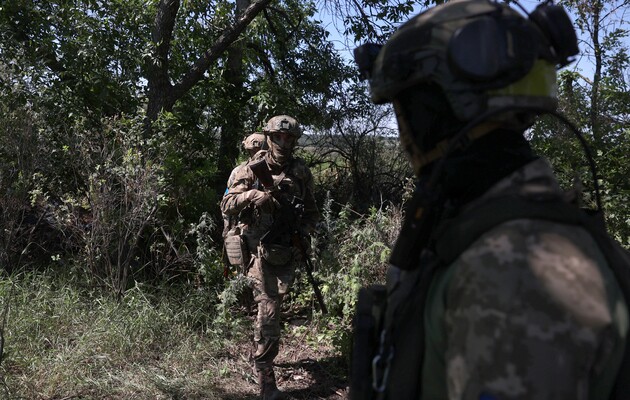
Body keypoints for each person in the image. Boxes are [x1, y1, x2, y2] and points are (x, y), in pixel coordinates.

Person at [350, 0, 629, 399]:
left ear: (438, 112)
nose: (404, 137)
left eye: (406, 111)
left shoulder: (515, 275)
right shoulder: (506, 234)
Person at [221, 115, 319, 399]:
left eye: (289, 138)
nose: (283, 142)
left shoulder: (300, 171)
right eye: (278, 137)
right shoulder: (251, 169)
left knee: (272, 309)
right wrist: (253, 196)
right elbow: (227, 203)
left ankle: (263, 353)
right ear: (269, 137)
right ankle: (266, 380)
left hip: (283, 251)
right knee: (269, 311)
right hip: (256, 253)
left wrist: (301, 232)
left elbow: (312, 212)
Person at [222, 132, 267, 240]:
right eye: (252, 151)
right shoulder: (239, 171)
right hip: (243, 226)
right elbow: (227, 203)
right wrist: (228, 230)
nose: (256, 154)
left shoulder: (273, 171)